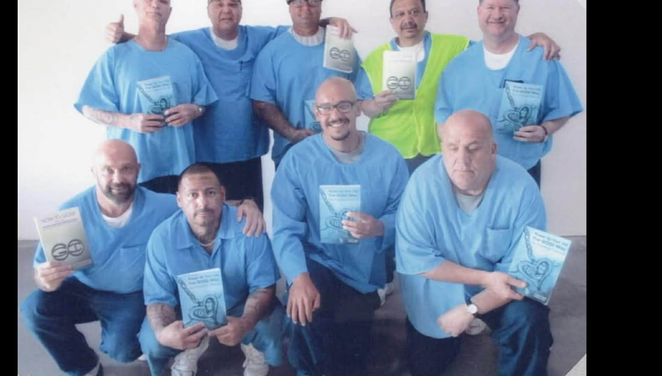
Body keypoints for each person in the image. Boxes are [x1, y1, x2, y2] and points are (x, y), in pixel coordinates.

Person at [105, 0, 355, 211]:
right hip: (205, 153)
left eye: (233, 3)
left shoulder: (260, 37)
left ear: (241, 10)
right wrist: (122, 37)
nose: (226, 9)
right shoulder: (191, 41)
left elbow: (301, 27)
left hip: (247, 150)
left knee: (250, 219)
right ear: (208, 10)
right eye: (218, 3)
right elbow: (156, 42)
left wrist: (330, 20)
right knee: (208, 218)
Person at [396, 110, 552, 376]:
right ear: (442, 148)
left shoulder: (523, 187)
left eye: (473, 148)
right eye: (452, 147)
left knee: (529, 320)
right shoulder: (421, 184)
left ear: (493, 149)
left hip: (501, 290)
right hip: (442, 288)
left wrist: (473, 307)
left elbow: (528, 272)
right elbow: (415, 259)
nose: (461, 160)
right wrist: (485, 279)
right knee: (424, 365)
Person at [271, 77, 409, 376]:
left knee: (351, 354)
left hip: (364, 270)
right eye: (326, 107)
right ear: (316, 113)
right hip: (317, 260)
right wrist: (298, 278)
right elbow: (285, 229)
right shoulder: (298, 160)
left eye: (344, 105)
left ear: (358, 108)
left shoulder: (388, 158)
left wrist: (380, 227)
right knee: (304, 316)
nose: (335, 115)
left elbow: (407, 216)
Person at [359, 0, 562, 174]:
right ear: (391, 21)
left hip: (443, 150)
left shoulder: (456, 46)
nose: (408, 19)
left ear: (425, 16)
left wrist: (534, 38)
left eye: (414, 12)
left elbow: (497, 47)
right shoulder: (374, 59)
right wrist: (375, 105)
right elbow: (361, 105)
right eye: (400, 14)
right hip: (392, 149)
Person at [20, 139, 179, 376]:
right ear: (94, 172)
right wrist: (45, 280)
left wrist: (239, 208)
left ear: (138, 169)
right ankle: (84, 366)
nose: (118, 178)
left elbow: (203, 205)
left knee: (124, 351)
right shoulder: (69, 214)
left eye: (126, 168)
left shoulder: (162, 206)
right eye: (108, 170)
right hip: (81, 287)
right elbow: (41, 272)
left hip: (130, 296)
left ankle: (133, 342)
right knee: (34, 308)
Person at [139, 164, 285, 376]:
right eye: (193, 195)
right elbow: (158, 299)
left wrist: (245, 323)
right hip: (186, 311)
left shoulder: (248, 226)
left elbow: (263, 287)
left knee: (271, 327)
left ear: (222, 194)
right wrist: (163, 334)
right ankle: (192, 346)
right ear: (179, 200)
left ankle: (253, 346)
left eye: (210, 193)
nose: (203, 203)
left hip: (240, 304)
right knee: (152, 340)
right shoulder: (161, 238)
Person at [435, 0, 583, 186]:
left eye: (505, 7)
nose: (497, 14)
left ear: (517, 10)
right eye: (490, 7)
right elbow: (443, 119)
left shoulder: (541, 59)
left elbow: (562, 107)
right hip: (469, 173)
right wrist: (455, 158)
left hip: (522, 170)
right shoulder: (458, 66)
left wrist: (544, 130)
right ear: (479, 11)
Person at [75, 0, 218, 194]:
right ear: (136, 5)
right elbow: (88, 107)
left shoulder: (186, 56)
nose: (155, 5)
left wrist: (194, 110)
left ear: (170, 10)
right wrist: (128, 121)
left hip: (180, 169)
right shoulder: (114, 57)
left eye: (162, 1)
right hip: (132, 171)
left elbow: (203, 102)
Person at [251, 0, 396, 167]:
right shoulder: (272, 53)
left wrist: (375, 104)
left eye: (313, 1)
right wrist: (292, 134)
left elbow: (360, 93)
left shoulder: (340, 47)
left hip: (342, 149)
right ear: (289, 8)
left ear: (321, 6)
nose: (305, 7)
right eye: (298, 2)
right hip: (293, 150)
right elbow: (262, 103)